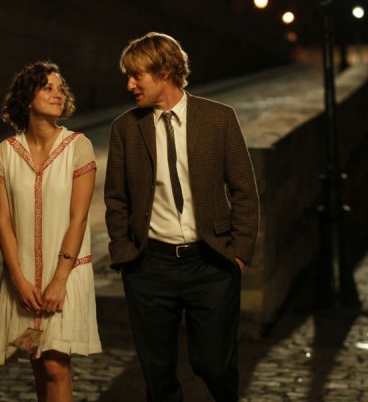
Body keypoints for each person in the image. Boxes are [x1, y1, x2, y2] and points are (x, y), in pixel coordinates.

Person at [104, 32, 260, 401]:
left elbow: (244, 190)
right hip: (150, 266)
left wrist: (238, 253)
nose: (129, 85)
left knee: (214, 365)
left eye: (136, 76)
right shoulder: (125, 128)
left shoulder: (219, 118)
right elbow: (116, 199)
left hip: (211, 262)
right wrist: (126, 256)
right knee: (157, 374)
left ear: (164, 72)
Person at [0, 61, 101, 402]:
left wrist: (60, 279)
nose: (58, 94)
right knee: (37, 362)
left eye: (61, 89)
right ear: (27, 97)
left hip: (66, 273)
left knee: (56, 367)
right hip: (24, 279)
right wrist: (17, 279)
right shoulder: (5, 153)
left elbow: (79, 218)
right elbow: (3, 222)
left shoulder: (78, 146)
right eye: (48, 88)